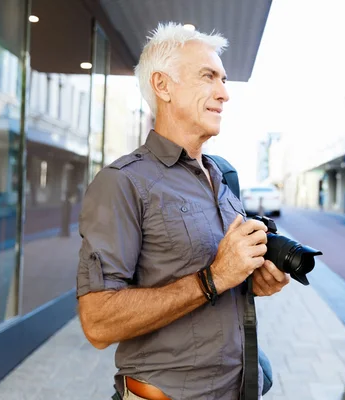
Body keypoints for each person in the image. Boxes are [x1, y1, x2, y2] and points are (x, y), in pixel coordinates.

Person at [76, 22, 290, 400]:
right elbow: (97, 322)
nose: (224, 93)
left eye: (224, 79)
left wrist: (252, 282)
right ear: (163, 86)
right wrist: (213, 278)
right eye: (208, 76)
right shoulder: (122, 183)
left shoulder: (224, 177)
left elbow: (225, 276)